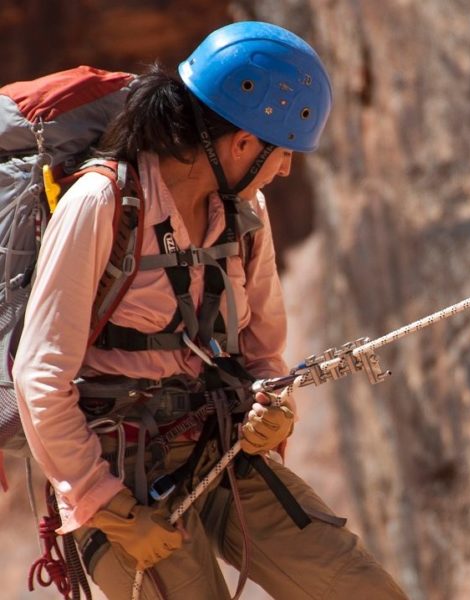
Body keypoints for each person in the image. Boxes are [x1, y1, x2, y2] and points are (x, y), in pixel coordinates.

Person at [13, 21, 407, 600]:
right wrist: (113, 510)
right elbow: (39, 375)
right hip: (118, 472)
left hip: (220, 445)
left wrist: (275, 412)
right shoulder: (102, 203)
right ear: (242, 142)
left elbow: (263, 352)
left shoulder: (247, 213)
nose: (286, 169)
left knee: (362, 590)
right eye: (283, 153)